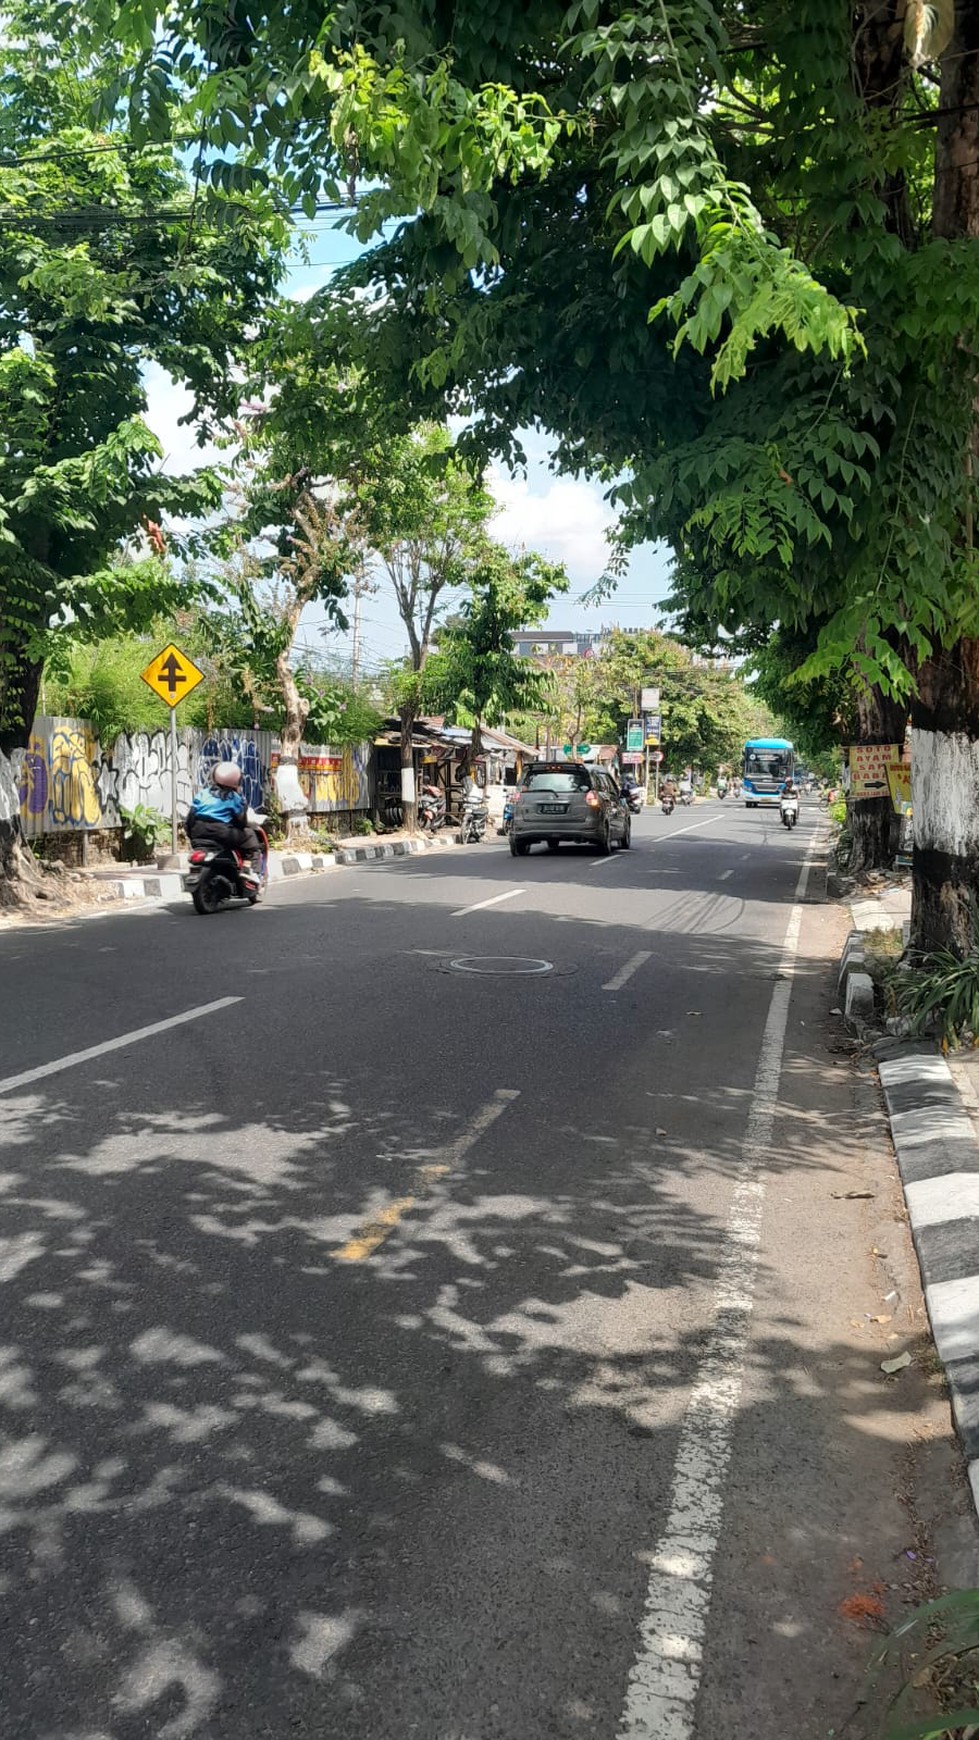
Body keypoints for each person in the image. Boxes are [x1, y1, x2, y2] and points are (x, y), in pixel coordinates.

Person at [185, 762, 261, 885]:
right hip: (221, 833)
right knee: (250, 837)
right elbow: (241, 822)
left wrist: (191, 834)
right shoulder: (233, 797)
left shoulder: (202, 794)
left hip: (198, 832)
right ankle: (248, 869)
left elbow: (190, 817)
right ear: (235, 779)